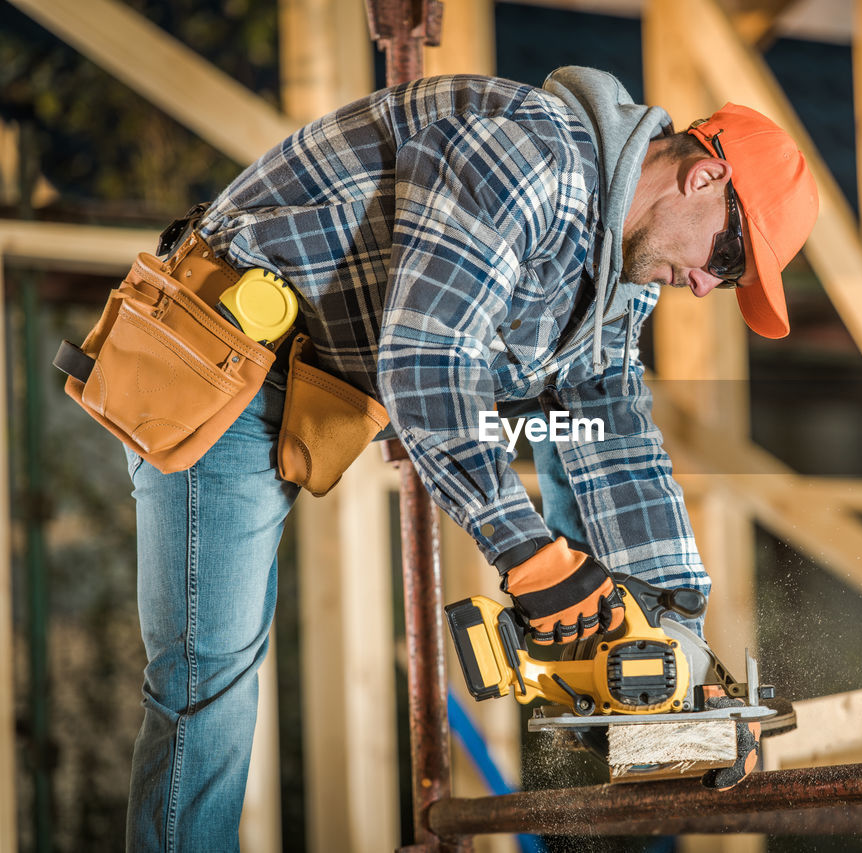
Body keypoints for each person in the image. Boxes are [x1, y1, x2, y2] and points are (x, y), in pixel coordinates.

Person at [122, 66, 817, 850]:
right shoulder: (526, 154)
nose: (703, 284)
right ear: (703, 175)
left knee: (579, 417)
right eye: (728, 257)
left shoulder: (623, 277)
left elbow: (611, 426)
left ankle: (632, 645)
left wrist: (675, 627)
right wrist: (530, 557)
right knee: (209, 675)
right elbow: (427, 365)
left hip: (324, 380)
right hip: (218, 360)